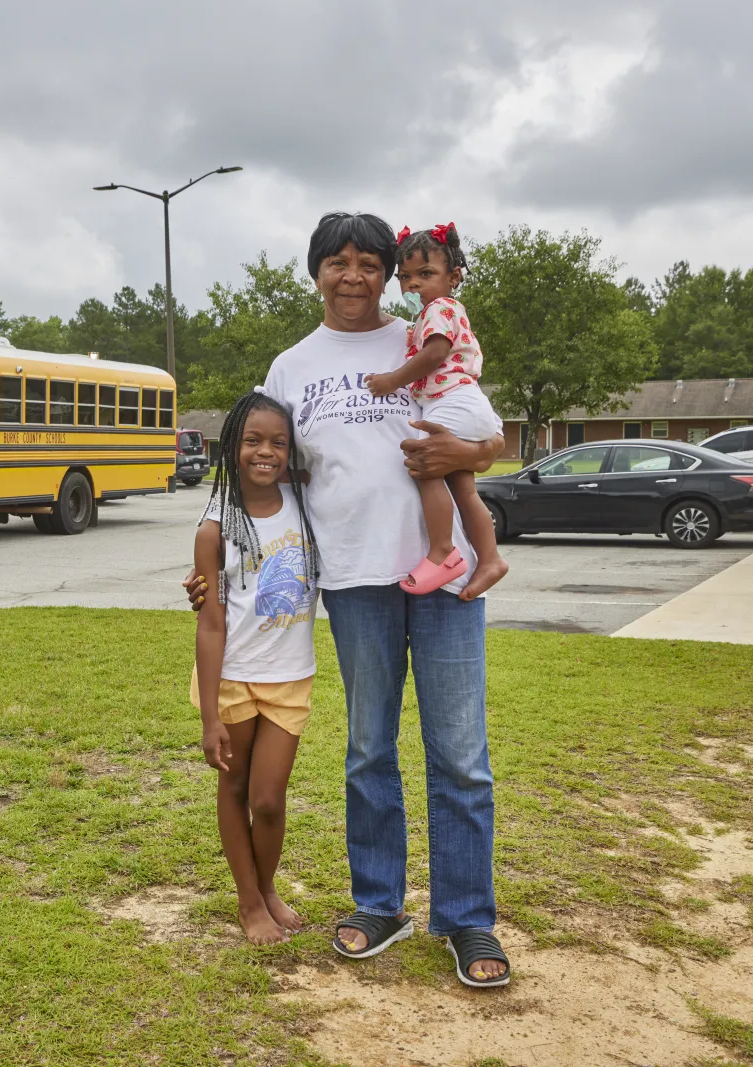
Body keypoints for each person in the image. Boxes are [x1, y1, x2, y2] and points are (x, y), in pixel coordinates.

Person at [187, 212, 510, 987]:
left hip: (445, 576)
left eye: (370, 262)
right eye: (338, 262)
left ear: (389, 271)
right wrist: (217, 559)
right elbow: (263, 469)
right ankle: (378, 903)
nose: (354, 276)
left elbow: (487, 438)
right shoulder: (292, 365)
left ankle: (466, 918)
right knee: (369, 749)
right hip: (353, 580)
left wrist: (462, 452)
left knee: (460, 756)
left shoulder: (422, 332)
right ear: (316, 271)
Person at [192, 389, 321, 945]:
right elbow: (212, 621)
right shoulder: (214, 528)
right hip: (233, 677)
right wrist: (209, 719)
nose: (264, 452)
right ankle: (250, 903)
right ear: (231, 447)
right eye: (251, 441)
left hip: (290, 674)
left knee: (269, 799)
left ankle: (267, 887)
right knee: (235, 787)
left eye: (277, 443)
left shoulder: (307, 503)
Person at [362, 223, 507, 598]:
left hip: (453, 401)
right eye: (405, 277)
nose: (413, 285)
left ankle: (443, 552)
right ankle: (490, 558)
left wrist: (391, 380)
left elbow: (436, 353)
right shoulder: (433, 313)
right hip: (466, 403)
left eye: (425, 274)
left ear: (453, 277)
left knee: (424, 465)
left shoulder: (438, 308)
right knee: (463, 488)